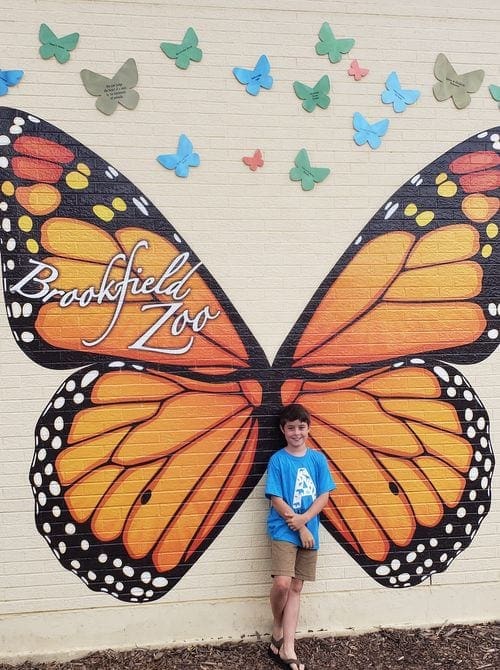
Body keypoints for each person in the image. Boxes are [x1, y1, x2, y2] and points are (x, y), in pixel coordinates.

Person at [265, 403, 335, 670]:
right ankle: (278, 625)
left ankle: (288, 647)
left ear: (308, 428)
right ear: (283, 430)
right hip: (284, 529)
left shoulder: (317, 459)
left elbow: (324, 495)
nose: (297, 432)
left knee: (296, 587)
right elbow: (275, 498)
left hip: (309, 531)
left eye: (301, 427)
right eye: (291, 427)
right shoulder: (278, 460)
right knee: (282, 583)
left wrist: (306, 520)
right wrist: (299, 525)